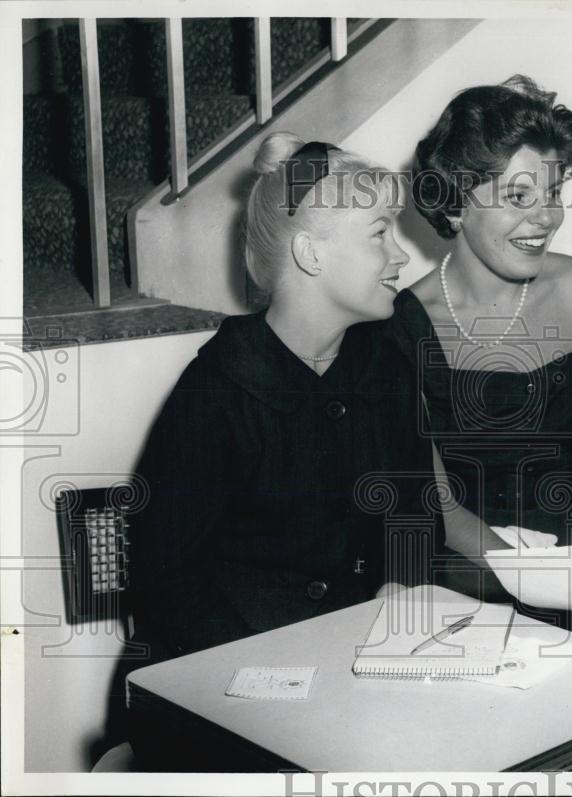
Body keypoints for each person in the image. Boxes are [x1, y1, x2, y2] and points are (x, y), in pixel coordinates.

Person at [129, 133, 440, 665]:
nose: (399, 256)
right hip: (224, 670)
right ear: (309, 253)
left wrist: (400, 587)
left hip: (355, 657)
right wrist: (275, 669)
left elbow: (417, 516)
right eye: (379, 234)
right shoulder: (217, 389)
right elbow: (166, 579)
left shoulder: (387, 367)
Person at [387, 76, 572, 609]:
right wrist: (536, 574)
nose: (545, 217)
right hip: (468, 572)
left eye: (552, 193)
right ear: (455, 204)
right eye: (518, 196)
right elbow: (438, 506)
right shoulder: (399, 328)